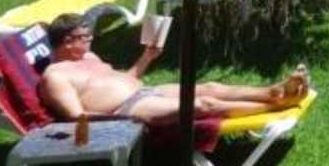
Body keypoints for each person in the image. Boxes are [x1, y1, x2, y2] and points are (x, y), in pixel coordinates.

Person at [37, 13, 309, 125]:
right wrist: (125, 123)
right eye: (85, 37)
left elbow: (126, 79)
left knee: (210, 87)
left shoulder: (89, 57)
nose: (91, 40)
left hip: (145, 92)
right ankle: (277, 107)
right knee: (204, 104)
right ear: (67, 41)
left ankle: (272, 92)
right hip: (126, 110)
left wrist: (148, 56)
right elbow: (77, 117)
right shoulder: (56, 76)